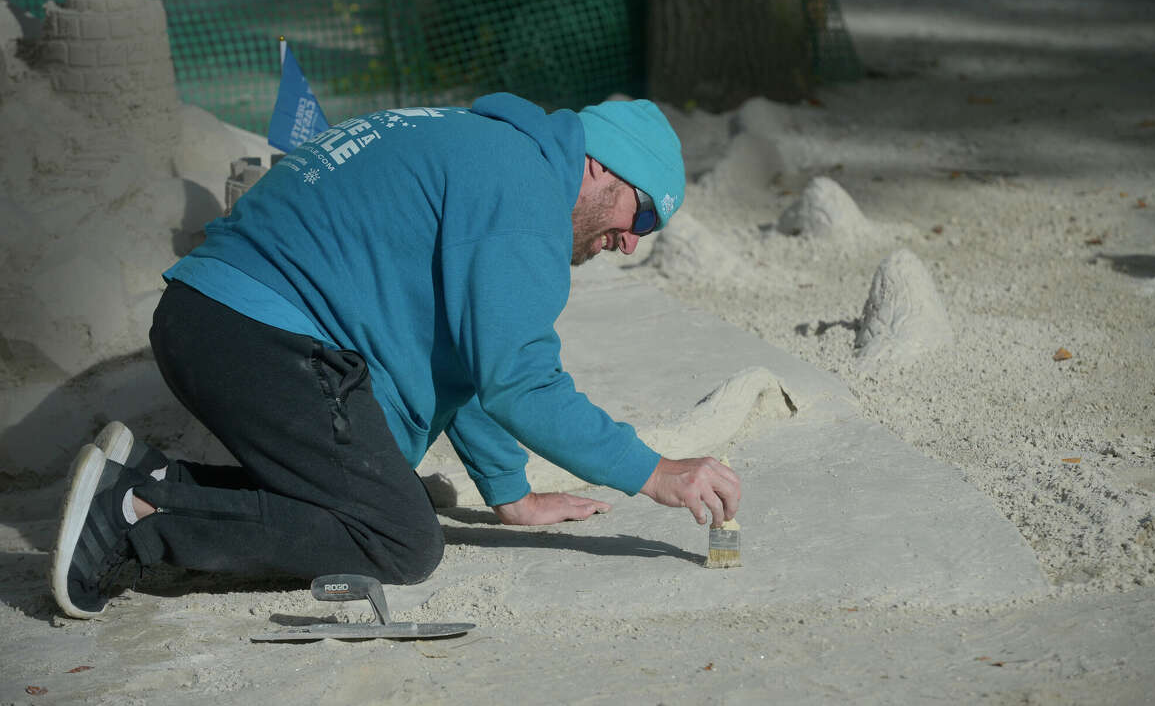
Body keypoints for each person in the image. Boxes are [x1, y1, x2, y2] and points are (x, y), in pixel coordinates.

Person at [50, 93, 742, 619]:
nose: (631, 241)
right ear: (599, 166)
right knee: (399, 539)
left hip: (212, 316)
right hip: (253, 330)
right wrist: (655, 472)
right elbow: (520, 380)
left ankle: (151, 476)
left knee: (382, 496)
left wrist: (512, 493)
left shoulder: (490, 150)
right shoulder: (526, 188)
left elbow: (469, 355)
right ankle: (133, 515)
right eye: (641, 215)